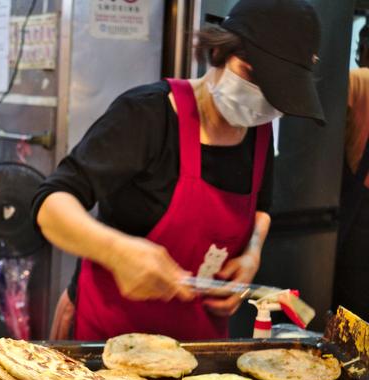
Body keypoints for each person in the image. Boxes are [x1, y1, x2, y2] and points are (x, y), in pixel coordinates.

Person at [35, 0, 325, 341]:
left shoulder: (259, 131)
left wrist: (252, 255)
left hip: (198, 352)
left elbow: (261, 209)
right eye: (251, 74)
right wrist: (115, 251)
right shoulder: (147, 115)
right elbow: (50, 205)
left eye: (275, 94)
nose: (261, 100)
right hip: (107, 339)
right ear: (219, 50)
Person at [333, 20, 369, 319]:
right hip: (360, 207)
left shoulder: (358, 81)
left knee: (353, 313)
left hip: (361, 214)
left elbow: (320, 141)